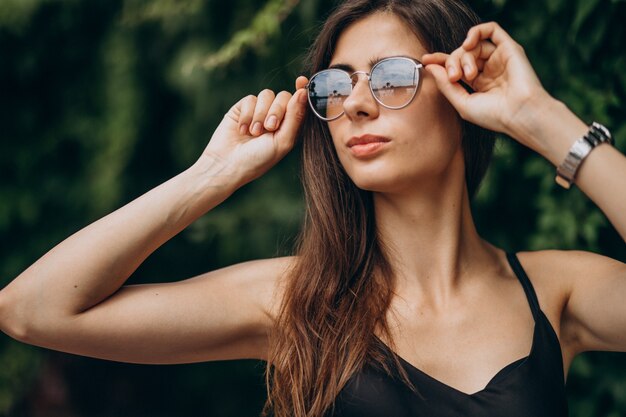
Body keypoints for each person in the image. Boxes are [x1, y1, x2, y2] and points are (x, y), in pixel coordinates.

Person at [1, 0, 625, 416]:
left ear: (462, 95)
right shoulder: (296, 299)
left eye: (390, 78)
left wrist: (539, 119)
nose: (356, 103)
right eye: (337, 82)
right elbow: (33, 310)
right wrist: (210, 176)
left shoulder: (554, 292)